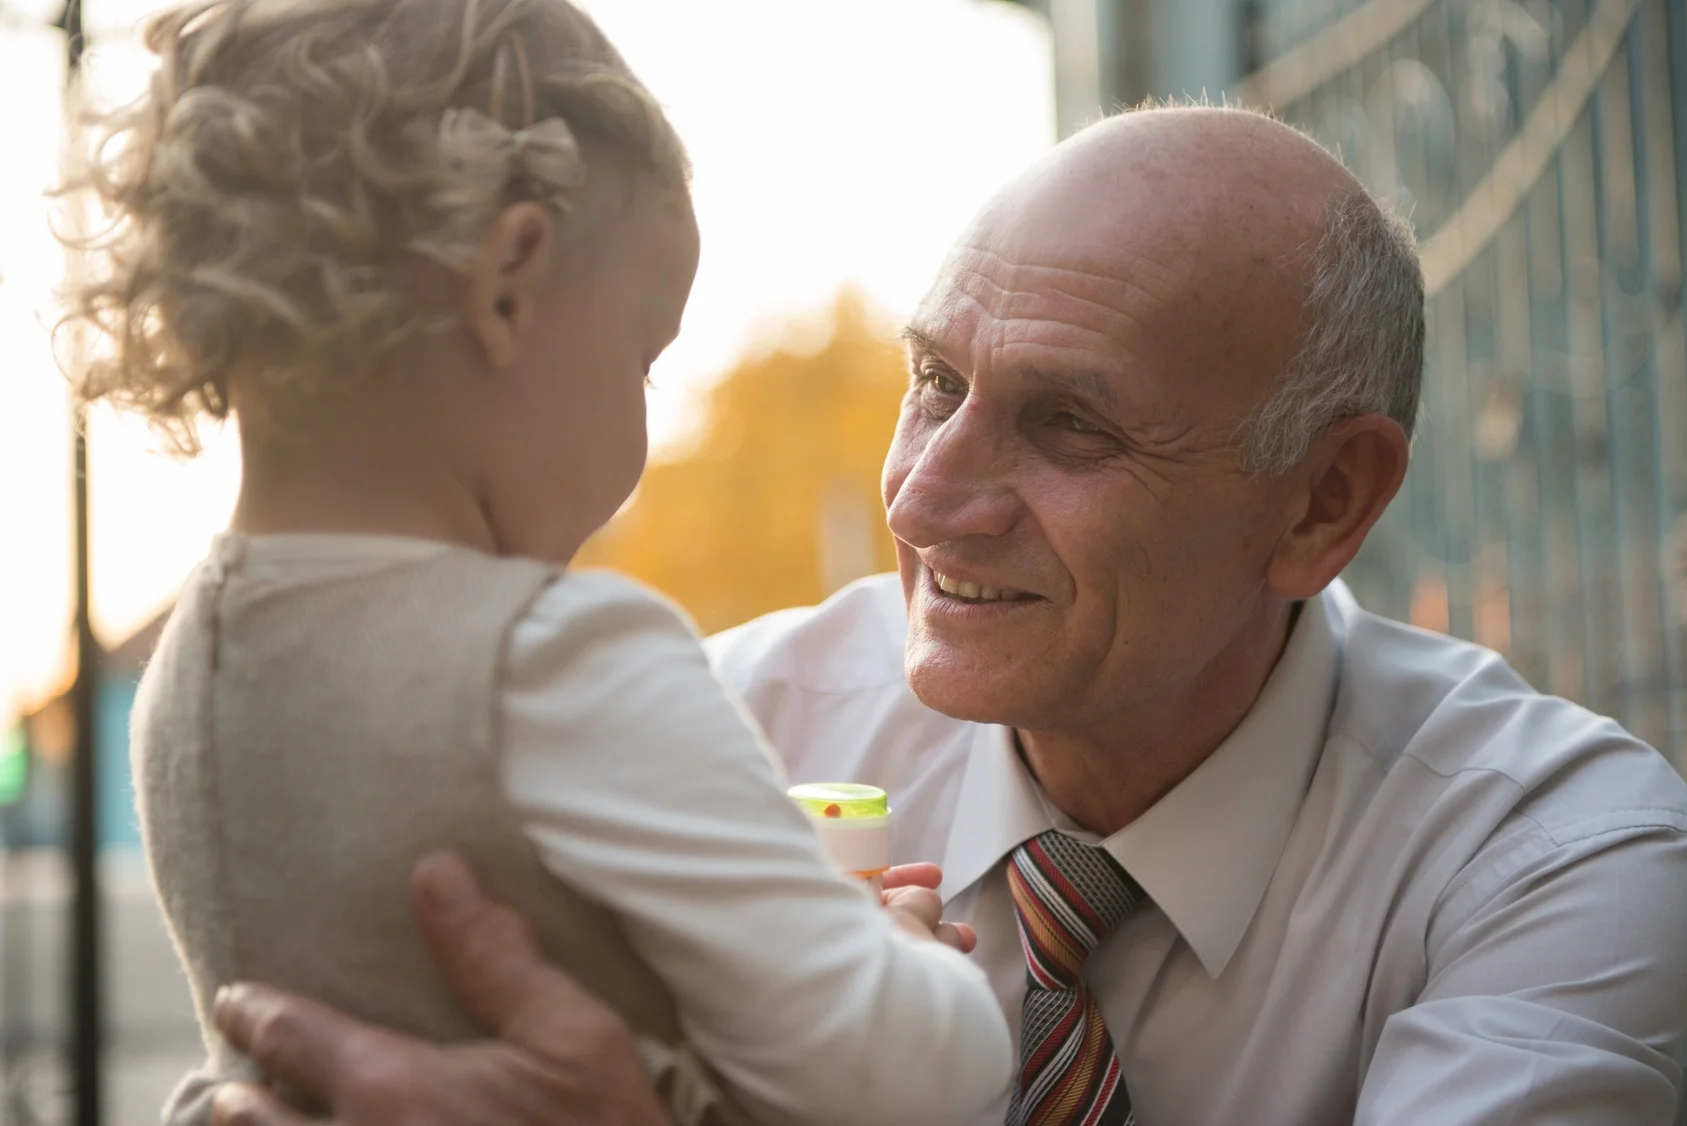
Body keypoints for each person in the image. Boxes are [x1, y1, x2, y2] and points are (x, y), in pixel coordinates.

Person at [209, 104, 1687, 1126]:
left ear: (1321, 502)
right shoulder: (714, 733)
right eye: (932, 383)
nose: (923, 500)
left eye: (1066, 425)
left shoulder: (1554, 857)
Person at [56, 0, 1015, 1123]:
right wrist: (903, 959)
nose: (643, 428)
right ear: (507, 280)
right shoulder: (558, 658)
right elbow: (906, 1070)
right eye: (642, 359)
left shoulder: (185, 680)